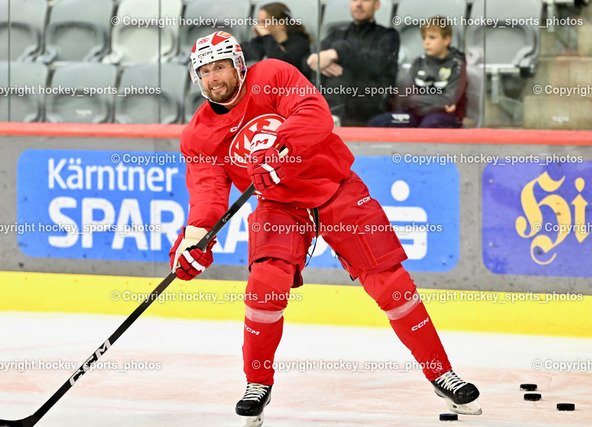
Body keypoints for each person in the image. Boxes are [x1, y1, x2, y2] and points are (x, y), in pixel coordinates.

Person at [170, 31, 482, 426]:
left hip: (334, 186)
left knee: (391, 282)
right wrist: (194, 241)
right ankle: (257, 383)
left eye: (220, 67)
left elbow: (314, 113)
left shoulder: (272, 74)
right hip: (279, 207)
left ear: (239, 65)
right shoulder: (198, 135)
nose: (214, 77)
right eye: (205, 71)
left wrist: (279, 148)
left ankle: (441, 373)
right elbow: (208, 193)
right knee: (265, 285)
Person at [307, 0, 399, 126]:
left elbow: (378, 64)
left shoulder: (388, 35)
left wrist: (337, 53)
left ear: (376, 5)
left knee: (344, 72)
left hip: (367, 107)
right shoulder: (337, 35)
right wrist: (315, 61)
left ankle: (331, 116)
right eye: (355, 0)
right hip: (332, 104)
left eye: (365, 0)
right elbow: (307, 62)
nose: (359, 4)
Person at [368, 16, 467, 128]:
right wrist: (429, 103)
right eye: (424, 38)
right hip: (415, 114)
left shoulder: (457, 64)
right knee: (377, 123)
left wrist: (418, 102)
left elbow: (448, 99)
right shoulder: (418, 62)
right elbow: (406, 98)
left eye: (432, 38)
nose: (426, 42)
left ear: (446, 40)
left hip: (443, 115)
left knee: (429, 125)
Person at [240, 2, 311, 78]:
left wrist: (266, 36)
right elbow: (245, 54)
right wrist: (257, 40)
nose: (259, 26)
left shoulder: (300, 43)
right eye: (259, 22)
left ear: (281, 23)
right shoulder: (264, 41)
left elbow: (281, 63)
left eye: (265, 22)